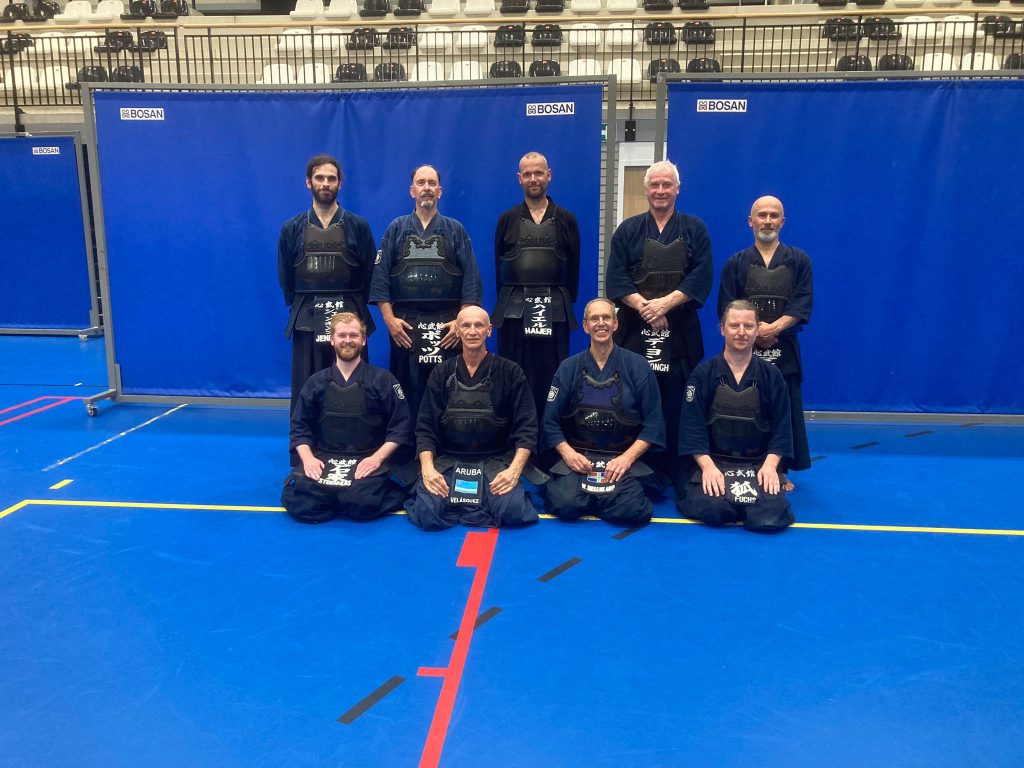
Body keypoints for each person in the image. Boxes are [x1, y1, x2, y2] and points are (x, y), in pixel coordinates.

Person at [605, 159, 712, 502]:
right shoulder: (628, 230)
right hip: (636, 332)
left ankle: (679, 466)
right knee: (635, 398)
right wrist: (646, 307)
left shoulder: (695, 229)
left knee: (679, 400)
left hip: (680, 332)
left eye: (667, 185)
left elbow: (702, 276)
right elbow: (615, 278)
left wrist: (665, 304)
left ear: (677, 189)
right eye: (655, 185)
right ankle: (638, 465)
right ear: (646, 189)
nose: (661, 190)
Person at [406, 305, 542, 531]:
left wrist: (513, 471)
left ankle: (468, 505)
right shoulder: (441, 372)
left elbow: (527, 429)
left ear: (489, 330)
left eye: (479, 325)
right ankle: (477, 505)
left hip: (495, 461)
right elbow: (425, 428)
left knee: (513, 512)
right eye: (466, 325)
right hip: (450, 461)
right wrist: (428, 469)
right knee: (427, 513)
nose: (472, 331)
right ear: (457, 330)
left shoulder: (510, 372)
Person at [369, 165, 483, 421]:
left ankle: (444, 438)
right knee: (406, 388)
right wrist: (389, 320)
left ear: (440, 191)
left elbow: (471, 278)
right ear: (412, 191)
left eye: (432, 183)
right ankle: (405, 439)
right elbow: (380, 277)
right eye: (421, 183)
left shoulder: (455, 229)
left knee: (446, 387)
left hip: (447, 327)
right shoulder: (397, 228)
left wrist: (462, 321)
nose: (427, 188)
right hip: (406, 326)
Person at [541, 298, 665, 526]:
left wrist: (626, 459)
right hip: (580, 458)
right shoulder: (568, 367)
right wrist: (569, 455)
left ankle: (604, 497)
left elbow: (654, 423)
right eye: (594, 319)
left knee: (631, 511)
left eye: (606, 318)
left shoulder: (638, 366)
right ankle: (600, 498)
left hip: (620, 459)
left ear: (615, 324)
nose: (601, 323)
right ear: (585, 326)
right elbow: (550, 422)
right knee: (566, 505)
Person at [718, 195, 813, 490]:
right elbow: (726, 306)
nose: (768, 221)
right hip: (743, 351)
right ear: (751, 221)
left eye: (774, 215)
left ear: (783, 222)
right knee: (746, 407)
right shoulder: (736, 263)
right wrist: (753, 332)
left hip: (784, 350)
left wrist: (776, 327)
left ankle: (778, 469)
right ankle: (743, 463)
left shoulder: (799, 260)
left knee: (782, 409)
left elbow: (802, 302)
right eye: (762, 215)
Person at [282, 312, 413, 524]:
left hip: (367, 458)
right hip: (326, 458)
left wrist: (376, 459)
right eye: (342, 335)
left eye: (353, 335)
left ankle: (344, 498)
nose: (348, 340)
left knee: (361, 503)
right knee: (304, 505)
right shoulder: (316, 382)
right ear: (332, 340)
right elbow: (299, 428)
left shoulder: (383, 380)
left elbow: (401, 427)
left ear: (364, 340)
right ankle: (337, 499)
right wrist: (308, 460)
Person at [678, 300, 794, 532]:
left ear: (757, 330)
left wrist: (771, 466)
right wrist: (707, 467)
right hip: (714, 461)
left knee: (770, 515)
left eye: (748, 326)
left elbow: (782, 428)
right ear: (723, 329)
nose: (741, 332)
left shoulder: (772, 376)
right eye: (734, 325)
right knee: (714, 509)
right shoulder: (703, 374)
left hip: (757, 463)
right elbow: (692, 427)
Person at [278, 154, 377, 411]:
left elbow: (370, 273)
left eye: (331, 178)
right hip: (306, 316)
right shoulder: (291, 228)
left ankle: (354, 433)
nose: (325, 183)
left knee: (353, 382)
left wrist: (355, 308)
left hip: (349, 316)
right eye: (319, 178)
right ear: (308, 182)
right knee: (306, 385)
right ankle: (304, 436)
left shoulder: (358, 226)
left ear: (340, 183)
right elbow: (286, 277)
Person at [492, 151, 581, 418]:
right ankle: (518, 435)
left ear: (549, 175)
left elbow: (573, 268)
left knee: (554, 374)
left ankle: (552, 434)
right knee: (513, 373)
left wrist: (565, 301)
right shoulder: (506, 219)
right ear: (519, 178)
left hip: (555, 309)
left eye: (539, 173)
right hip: (513, 309)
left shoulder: (566, 219)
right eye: (527, 174)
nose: (533, 179)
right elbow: (499, 270)